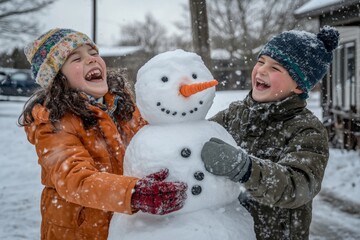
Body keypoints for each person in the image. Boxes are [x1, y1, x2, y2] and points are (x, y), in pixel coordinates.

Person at [18, 28, 187, 240]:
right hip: (81, 232)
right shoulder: (52, 121)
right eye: (76, 58)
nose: (91, 60)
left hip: (127, 226)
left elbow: (156, 140)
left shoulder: (123, 106)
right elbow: (74, 179)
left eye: (93, 52)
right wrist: (134, 193)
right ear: (57, 78)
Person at [201, 26, 339, 239]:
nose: (262, 70)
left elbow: (298, 185)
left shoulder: (306, 129)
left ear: (299, 86)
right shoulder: (235, 113)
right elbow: (197, 139)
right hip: (231, 231)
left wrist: (244, 169)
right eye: (261, 61)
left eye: (276, 68)